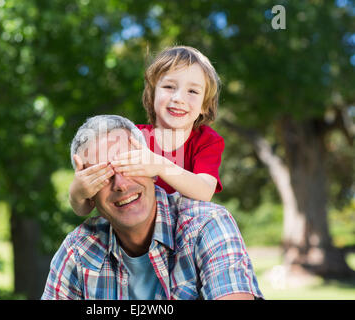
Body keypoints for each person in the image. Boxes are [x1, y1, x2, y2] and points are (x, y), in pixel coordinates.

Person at [41, 115, 263, 300]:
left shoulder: (206, 225)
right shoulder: (78, 250)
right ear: (88, 194)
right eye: (102, 176)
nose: (120, 184)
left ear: (153, 169)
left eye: (130, 165)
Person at [69, 46, 224, 217]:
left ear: (204, 105)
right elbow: (86, 209)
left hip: (187, 231)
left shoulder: (207, 141)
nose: (178, 98)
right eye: (169, 86)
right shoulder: (133, 137)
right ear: (152, 95)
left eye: (193, 91)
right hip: (137, 228)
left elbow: (204, 192)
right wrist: (77, 193)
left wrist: (160, 165)